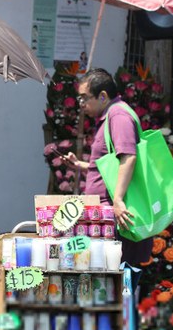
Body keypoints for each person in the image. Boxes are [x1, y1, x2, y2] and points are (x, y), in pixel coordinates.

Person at [61, 68, 153, 265]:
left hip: (114, 220)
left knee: (113, 283)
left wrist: (118, 200)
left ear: (103, 96)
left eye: (85, 98)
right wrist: (80, 165)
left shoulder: (118, 116)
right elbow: (112, 165)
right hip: (104, 218)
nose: (81, 104)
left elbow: (128, 158)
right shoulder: (111, 115)